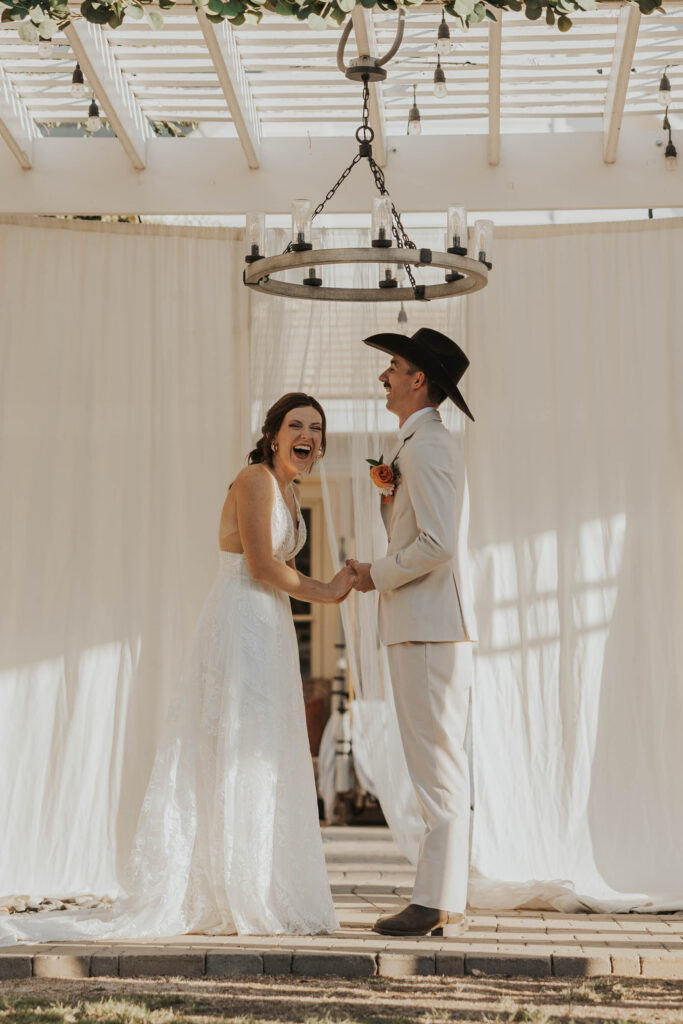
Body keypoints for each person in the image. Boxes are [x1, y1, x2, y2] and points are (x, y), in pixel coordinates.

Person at [0, 392, 354, 945]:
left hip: (271, 627)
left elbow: (277, 570)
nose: (307, 435)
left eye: (316, 428)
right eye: (296, 425)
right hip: (241, 620)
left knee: (263, 749)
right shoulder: (256, 478)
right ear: (274, 433)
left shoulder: (288, 488)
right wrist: (329, 592)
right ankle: (228, 893)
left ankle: (260, 885)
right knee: (233, 746)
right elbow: (262, 565)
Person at [347, 328, 477, 939]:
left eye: (393, 367)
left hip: (428, 627)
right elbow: (422, 531)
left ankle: (435, 900)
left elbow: (439, 543)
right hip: (422, 625)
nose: (384, 377)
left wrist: (376, 573)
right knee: (435, 762)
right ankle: (443, 897)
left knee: (436, 765)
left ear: (418, 379)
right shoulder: (416, 445)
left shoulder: (425, 447)